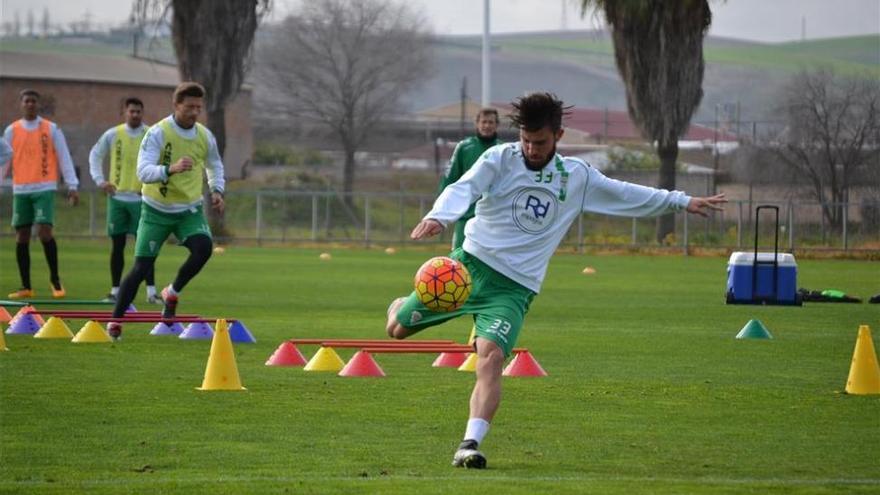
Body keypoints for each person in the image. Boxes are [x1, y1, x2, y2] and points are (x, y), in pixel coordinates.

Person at [384, 92, 726, 469]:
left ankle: (469, 444)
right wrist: (440, 216)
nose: (531, 149)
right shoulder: (498, 159)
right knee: (396, 329)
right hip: (466, 270)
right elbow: (463, 187)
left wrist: (681, 201)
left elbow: (625, 194)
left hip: (513, 289)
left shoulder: (575, 177)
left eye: (540, 142)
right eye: (526, 141)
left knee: (491, 357)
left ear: (559, 136)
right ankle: (401, 305)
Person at [107, 82, 225, 341]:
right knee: (141, 268)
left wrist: (217, 190)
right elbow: (143, 172)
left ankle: (172, 292)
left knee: (204, 248)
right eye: (189, 107)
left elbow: (214, 164)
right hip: (155, 210)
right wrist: (169, 169)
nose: (195, 112)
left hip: (188, 210)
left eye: (198, 107)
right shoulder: (158, 133)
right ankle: (116, 321)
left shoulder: (205, 136)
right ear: (176, 105)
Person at [3, 89, 79, 299]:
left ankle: (55, 280)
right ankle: (25, 286)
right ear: (21, 104)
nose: (30, 104)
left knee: (45, 231)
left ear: (38, 105)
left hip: (44, 187)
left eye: (33, 101)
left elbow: (64, 157)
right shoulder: (12, 130)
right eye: (26, 101)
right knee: (22, 235)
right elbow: (4, 160)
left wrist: (72, 184)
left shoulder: (51, 129)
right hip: (21, 189)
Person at [88, 97, 160, 304]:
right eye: (132, 111)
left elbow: (164, 162)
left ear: (142, 113)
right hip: (117, 198)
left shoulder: (151, 134)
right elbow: (95, 155)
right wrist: (100, 181)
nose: (135, 115)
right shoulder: (113, 134)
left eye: (138, 111)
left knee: (146, 246)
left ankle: (151, 292)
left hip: (142, 200)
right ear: (124, 112)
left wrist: (151, 186)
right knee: (117, 245)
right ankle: (115, 290)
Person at [438, 108, 501, 250]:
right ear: (477, 124)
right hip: (466, 217)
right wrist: (441, 211)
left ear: (497, 125)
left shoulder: (503, 150)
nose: (487, 126)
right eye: (484, 122)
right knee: (459, 263)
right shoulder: (464, 147)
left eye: (491, 122)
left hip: (492, 220)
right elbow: (450, 178)